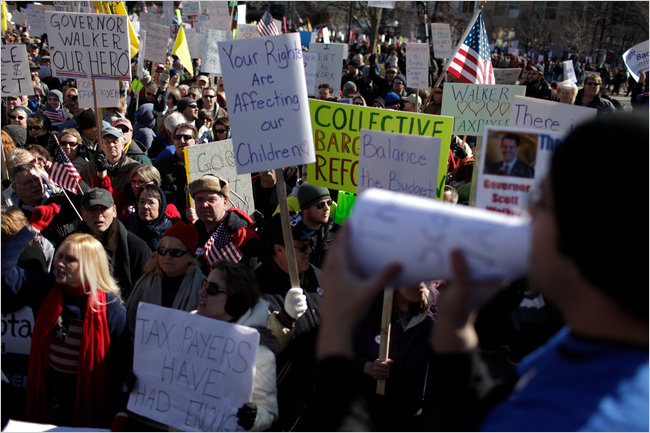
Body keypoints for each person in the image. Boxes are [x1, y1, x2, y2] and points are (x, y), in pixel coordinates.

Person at [301, 112, 649, 432]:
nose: (526, 215)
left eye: (539, 202)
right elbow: (491, 413)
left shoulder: (584, 420)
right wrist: (456, 328)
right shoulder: (595, 339)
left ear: (582, 236)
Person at [1, 205, 131, 429]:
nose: (59, 264)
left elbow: (123, 364)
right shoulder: (46, 288)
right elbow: (4, 270)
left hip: (88, 400)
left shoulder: (110, 308)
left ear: (90, 265)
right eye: (59, 256)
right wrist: (31, 229)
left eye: (69, 260)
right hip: (46, 396)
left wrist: (122, 410)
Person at [255, 212, 321, 431]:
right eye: (302, 247)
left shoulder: (319, 277)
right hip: (287, 403)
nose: (309, 250)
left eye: (310, 243)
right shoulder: (256, 288)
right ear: (278, 249)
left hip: (324, 394)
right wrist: (285, 318)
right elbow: (259, 351)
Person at [195, 261, 279, 431]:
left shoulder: (259, 352)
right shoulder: (186, 331)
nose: (201, 293)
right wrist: (142, 382)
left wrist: (254, 417)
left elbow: (268, 411)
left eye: (211, 289)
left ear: (234, 300)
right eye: (204, 284)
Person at [352, 281, 439, 431]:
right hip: (368, 416)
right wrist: (366, 367)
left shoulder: (434, 325)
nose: (421, 281)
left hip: (413, 421)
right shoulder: (366, 316)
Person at [125, 221, 203, 332]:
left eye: (175, 253)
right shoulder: (145, 282)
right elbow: (130, 320)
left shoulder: (201, 288)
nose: (167, 257)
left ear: (190, 256)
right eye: (162, 251)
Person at [77, 187, 150, 300]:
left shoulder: (137, 249)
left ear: (114, 211)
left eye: (103, 209)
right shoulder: (70, 247)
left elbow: (146, 293)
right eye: (92, 209)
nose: (99, 215)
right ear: (82, 212)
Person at [188, 174, 261, 270]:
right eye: (199, 200)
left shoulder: (243, 235)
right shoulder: (193, 233)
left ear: (225, 202)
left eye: (211, 199)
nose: (204, 205)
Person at [154, 123, 198, 218]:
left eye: (186, 137)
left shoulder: (205, 164)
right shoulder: (161, 166)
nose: (181, 141)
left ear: (196, 142)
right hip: (172, 219)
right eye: (178, 137)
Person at [82, 127, 141, 194]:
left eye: (114, 141)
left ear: (122, 144)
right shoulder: (89, 169)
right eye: (107, 142)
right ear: (101, 145)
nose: (111, 145)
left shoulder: (134, 168)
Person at [296, 183, 339, 268]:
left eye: (329, 203)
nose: (327, 208)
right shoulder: (293, 233)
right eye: (320, 205)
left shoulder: (338, 233)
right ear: (306, 208)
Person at [125, 184, 175, 251]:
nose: (145, 206)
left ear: (160, 206)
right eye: (142, 201)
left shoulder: (171, 230)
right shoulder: (127, 225)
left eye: (151, 202)